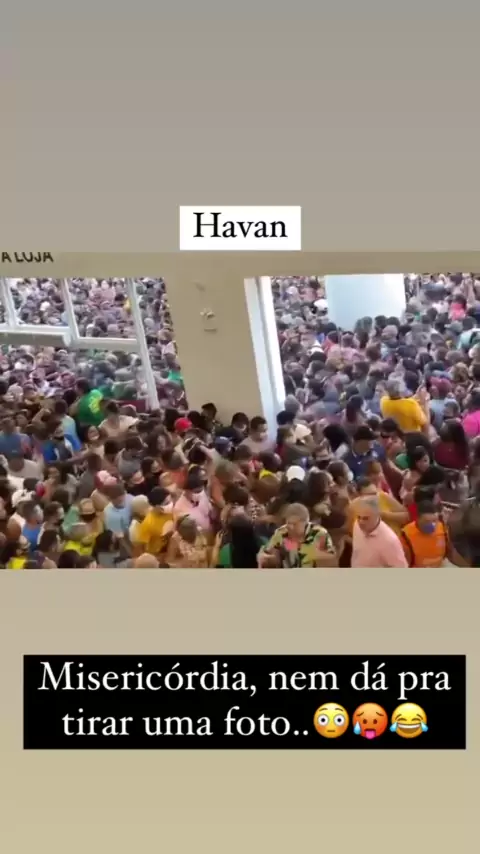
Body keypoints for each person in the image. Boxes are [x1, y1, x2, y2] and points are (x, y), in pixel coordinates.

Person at [258, 503, 337, 568]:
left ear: (305, 523)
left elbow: (332, 557)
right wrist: (266, 558)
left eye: (295, 524)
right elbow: (267, 552)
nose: (290, 527)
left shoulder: (320, 533)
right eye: (289, 523)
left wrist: (314, 554)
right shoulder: (281, 532)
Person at [350, 495, 409, 568]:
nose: (361, 522)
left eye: (366, 518)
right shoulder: (356, 525)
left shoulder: (390, 541)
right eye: (359, 517)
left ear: (377, 515)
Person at [401, 500, 450, 567]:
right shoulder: (406, 536)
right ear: (417, 519)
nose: (432, 525)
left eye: (434, 520)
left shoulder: (443, 529)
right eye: (427, 521)